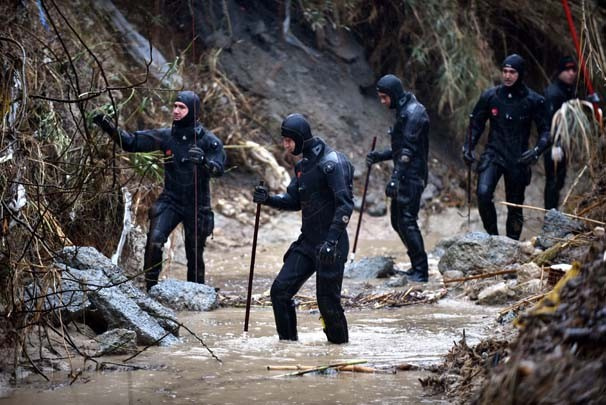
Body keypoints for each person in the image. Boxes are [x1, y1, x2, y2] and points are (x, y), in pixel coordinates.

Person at [93, 90, 226, 291]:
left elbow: (218, 170)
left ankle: (198, 296)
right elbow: (130, 143)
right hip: (170, 200)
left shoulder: (209, 141)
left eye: (182, 107)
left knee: (194, 254)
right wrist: (107, 125)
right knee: (154, 241)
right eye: (175, 106)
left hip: (198, 205)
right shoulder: (166, 137)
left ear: (194, 112)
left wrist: (204, 162)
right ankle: (151, 291)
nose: (176, 110)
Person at [252, 113, 354, 344]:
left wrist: (331, 242)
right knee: (279, 292)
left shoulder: (332, 163)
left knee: (327, 303)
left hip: (332, 244)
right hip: (307, 243)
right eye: (284, 140)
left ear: (300, 138)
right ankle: (288, 347)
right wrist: (267, 199)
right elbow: (293, 201)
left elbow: (345, 204)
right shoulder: (303, 166)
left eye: (289, 140)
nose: (285, 145)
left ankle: (340, 353)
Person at [462, 54, 550, 240]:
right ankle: (493, 238)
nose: (507, 76)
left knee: (515, 205)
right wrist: (468, 147)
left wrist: (536, 151)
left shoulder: (534, 100)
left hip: (518, 157)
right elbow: (476, 124)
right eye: (505, 71)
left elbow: (547, 131)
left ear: (521, 74)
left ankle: (511, 245)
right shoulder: (490, 96)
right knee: (483, 194)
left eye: (512, 72)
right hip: (493, 153)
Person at [366, 74, 429, 283]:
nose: (382, 102)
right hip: (405, 173)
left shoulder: (414, 113)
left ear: (393, 94)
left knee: (408, 221)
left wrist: (394, 178)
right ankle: (415, 265)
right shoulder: (404, 110)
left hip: (413, 176)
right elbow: (399, 149)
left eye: (384, 97)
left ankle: (421, 270)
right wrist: (380, 156)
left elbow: (407, 151)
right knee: (396, 221)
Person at [543, 56, 578, 210]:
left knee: (560, 180)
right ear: (560, 72)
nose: (571, 73)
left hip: (565, 142)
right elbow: (549, 121)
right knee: (553, 180)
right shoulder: (553, 93)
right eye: (567, 70)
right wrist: (554, 145)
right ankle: (549, 213)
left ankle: (554, 211)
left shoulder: (570, 90)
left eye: (574, 70)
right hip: (553, 144)